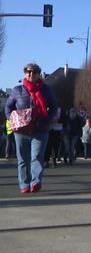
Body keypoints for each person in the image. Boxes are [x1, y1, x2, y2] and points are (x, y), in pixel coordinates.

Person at [4, 63, 58, 193]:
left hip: (40, 129)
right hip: (21, 130)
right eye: (28, 72)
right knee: (23, 159)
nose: (31, 74)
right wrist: (12, 119)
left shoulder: (46, 90)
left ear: (38, 74)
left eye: (34, 72)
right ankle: (24, 184)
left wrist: (47, 119)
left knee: (37, 156)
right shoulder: (18, 90)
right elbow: (8, 107)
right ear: (25, 73)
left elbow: (54, 106)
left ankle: (35, 182)